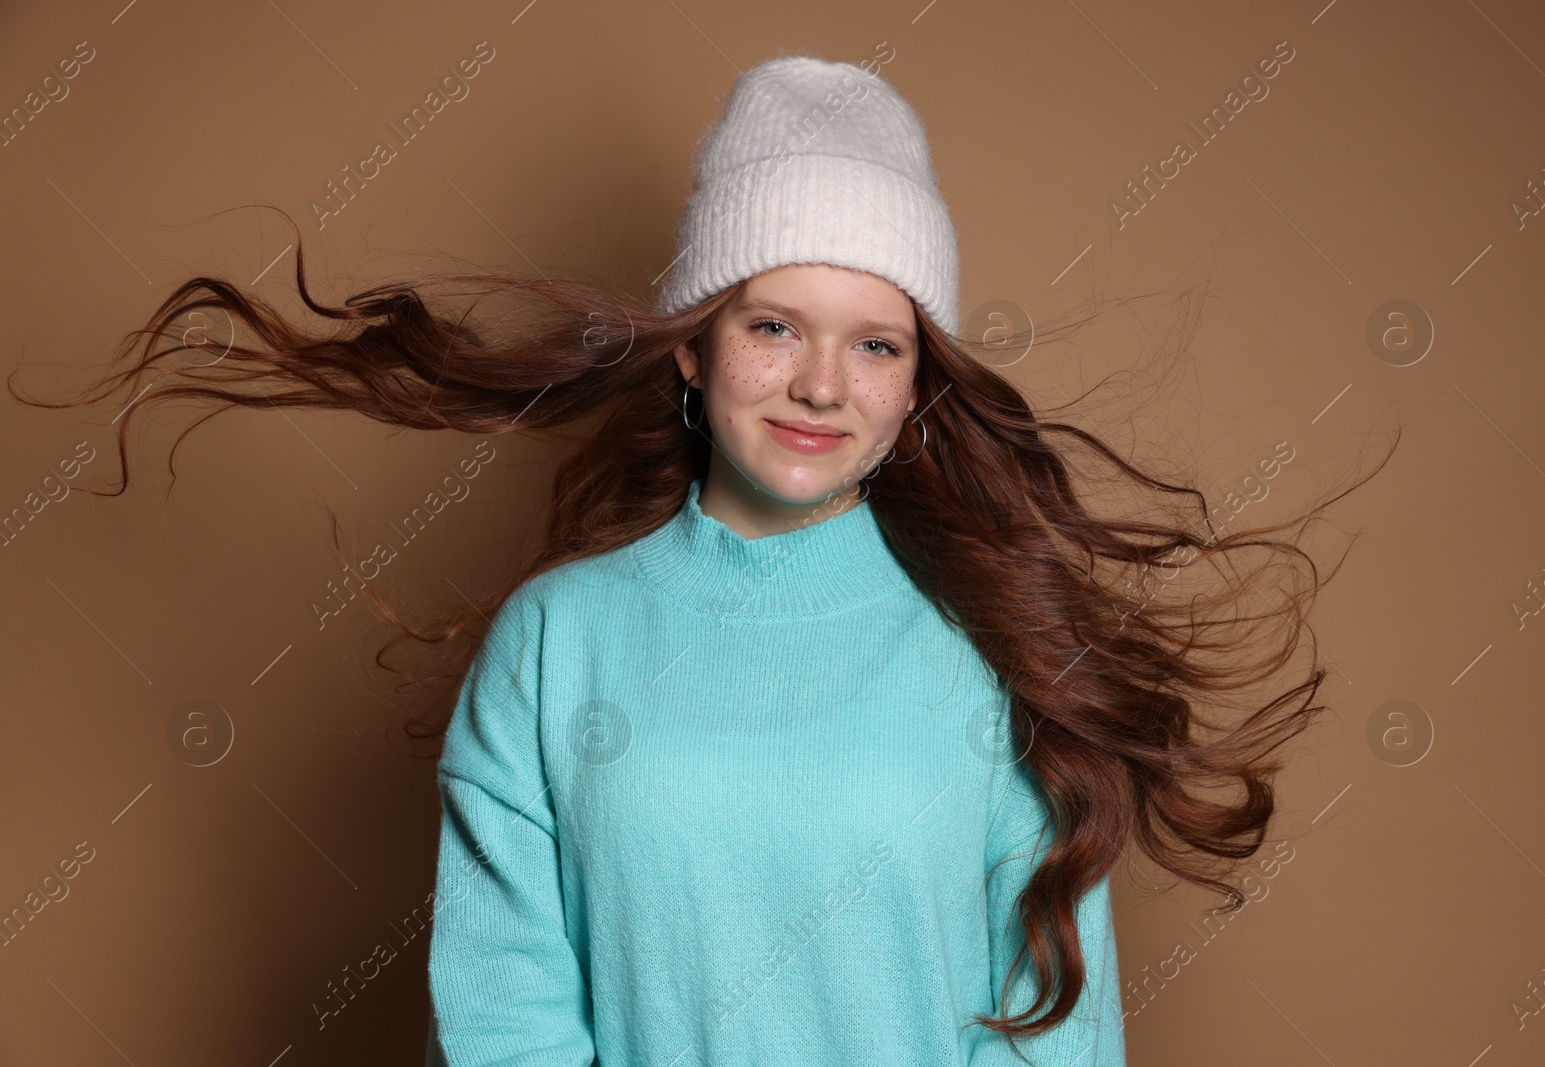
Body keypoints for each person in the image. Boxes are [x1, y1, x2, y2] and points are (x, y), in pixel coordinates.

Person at [24, 48, 1386, 1067]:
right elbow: (509, 1015)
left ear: (919, 386)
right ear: (693, 345)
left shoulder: (994, 649)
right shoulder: (559, 644)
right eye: (772, 325)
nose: (820, 386)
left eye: (877, 341)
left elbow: (1049, 1030)